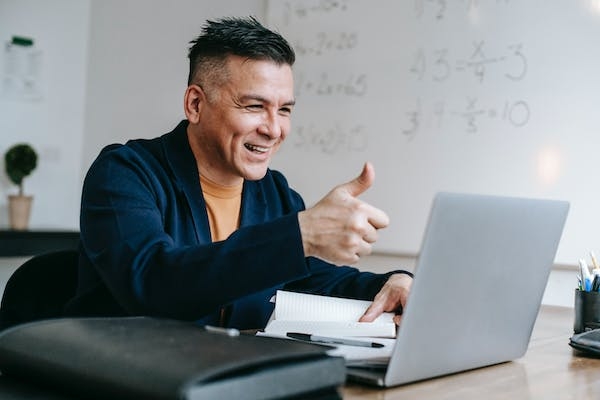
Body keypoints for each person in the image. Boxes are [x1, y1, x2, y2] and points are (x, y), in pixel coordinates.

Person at [64, 16, 413, 330]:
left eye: (285, 110)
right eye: (255, 106)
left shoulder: (274, 192)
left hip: (225, 376)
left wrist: (389, 283)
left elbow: (308, 279)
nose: (274, 129)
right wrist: (299, 235)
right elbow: (152, 282)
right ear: (195, 104)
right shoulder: (124, 173)